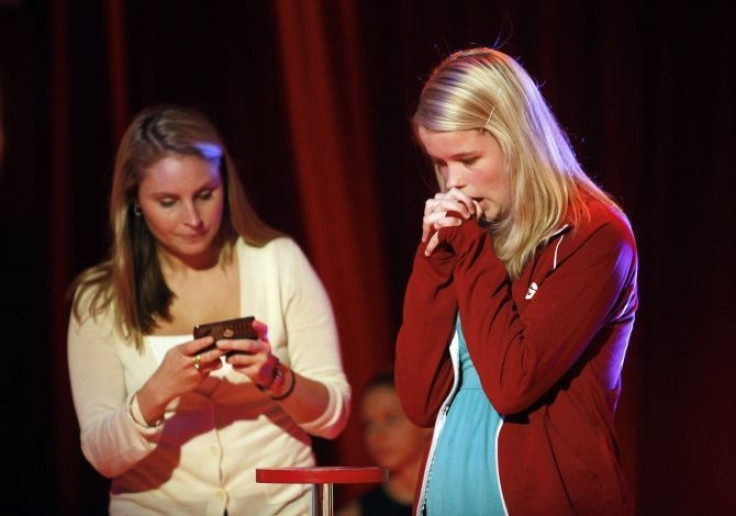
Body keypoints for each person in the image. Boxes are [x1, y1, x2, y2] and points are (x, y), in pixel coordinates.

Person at [67, 104, 351, 515]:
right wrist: (156, 393)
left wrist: (275, 376)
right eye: (168, 201)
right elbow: (102, 455)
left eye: (205, 194)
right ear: (135, 202)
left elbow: (333, 417)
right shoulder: (100, 299)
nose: (193, 219)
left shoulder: (277, 261)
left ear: (226, 184)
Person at [395, 47, 638, 515]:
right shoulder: (468, 239)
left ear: (517, 139)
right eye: (441, 164)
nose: (453, 183)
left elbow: (514, 383)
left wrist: (468, 249)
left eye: (468, 159)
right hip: (450, 493)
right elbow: (419, 400)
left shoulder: (594, 234)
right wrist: (432, 264)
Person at [337, 370, 431, 516]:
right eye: (369, 424)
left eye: (392, 419)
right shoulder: (355, 512)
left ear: (426, 422)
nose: (377, 436)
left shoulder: (465, 498)